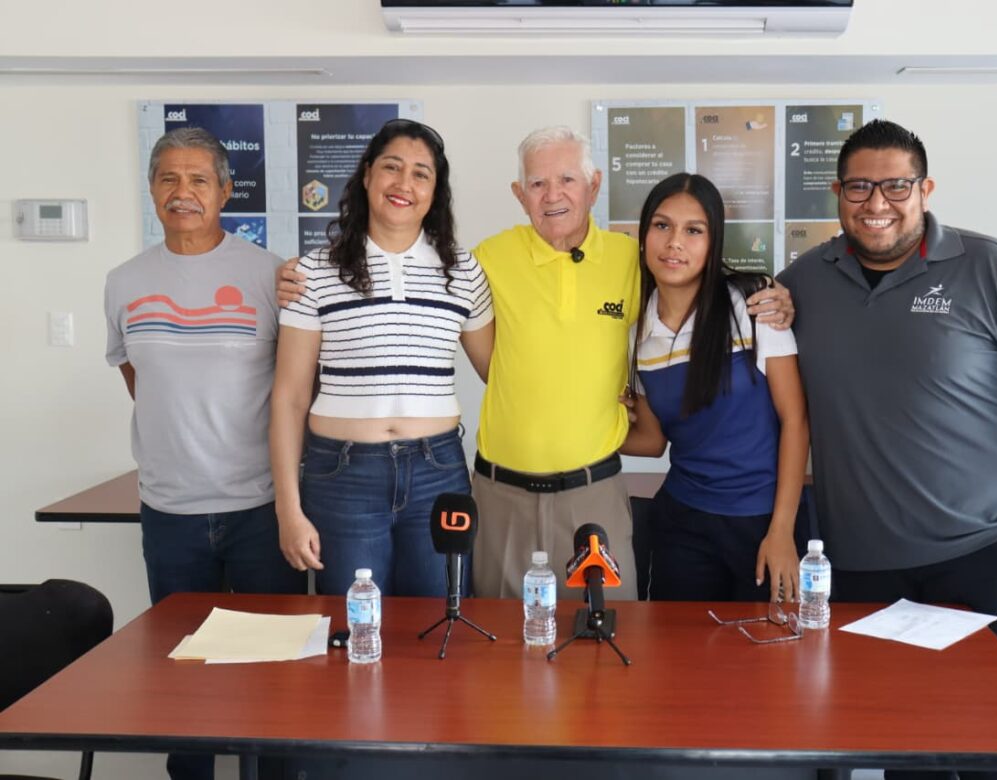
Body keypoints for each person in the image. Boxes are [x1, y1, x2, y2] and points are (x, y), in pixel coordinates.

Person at [279, 126, 794, 600]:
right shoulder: (480, 263)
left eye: (567, 179)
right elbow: (493, 367)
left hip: (595, 490)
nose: (553, 195)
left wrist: (773, 295)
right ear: (519, 194)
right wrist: (288, 276)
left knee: (606, 639)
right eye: (538, 183)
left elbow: (691, 284)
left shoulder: (632, 262)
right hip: (500, 492)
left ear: (593, 186)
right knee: (495, 645)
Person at [777, 120, 997, 780]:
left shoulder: (996, 271)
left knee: (994, 750)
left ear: (925, 190)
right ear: (837, 193)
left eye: (896, 186)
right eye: (859, 187)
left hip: (986, 556)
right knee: (907, 748)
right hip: (865, 568)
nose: (877, 203)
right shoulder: (803, 283)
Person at [104, 127, 307, 780]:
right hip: (170, 512)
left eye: (197, 179)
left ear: (225, 190)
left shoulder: (270, 275)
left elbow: (295, 387)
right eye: (168, 178)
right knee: (182, 669)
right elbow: (137, 376)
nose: (182, 192)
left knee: (274, 669)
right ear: (151, 190)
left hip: (261, 508)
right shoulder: (124, 281)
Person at [271, 119, 493, 597]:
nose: (404, 183)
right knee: (355, 627)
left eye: (421, 173)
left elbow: (500, 374)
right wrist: (287, 509)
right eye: (392, 167)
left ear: (435, 191)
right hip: (342, 477)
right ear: (367, 175)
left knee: (439, 623)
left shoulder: (464, 271)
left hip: (438, 473)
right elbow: (289, 397)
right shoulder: (314, 271)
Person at [621, 173, 808, 603]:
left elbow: (795, 420)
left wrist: (781, 531)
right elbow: (652, 441)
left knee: (768, 645)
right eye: (662, 225)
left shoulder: (753, 304)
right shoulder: (637, 335)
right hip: (682, 524)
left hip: (762, 521)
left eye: (694, 230)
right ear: (644, 235)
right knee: (679, 645)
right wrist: (587, 430)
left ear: (714, 241)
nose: (674, 243)